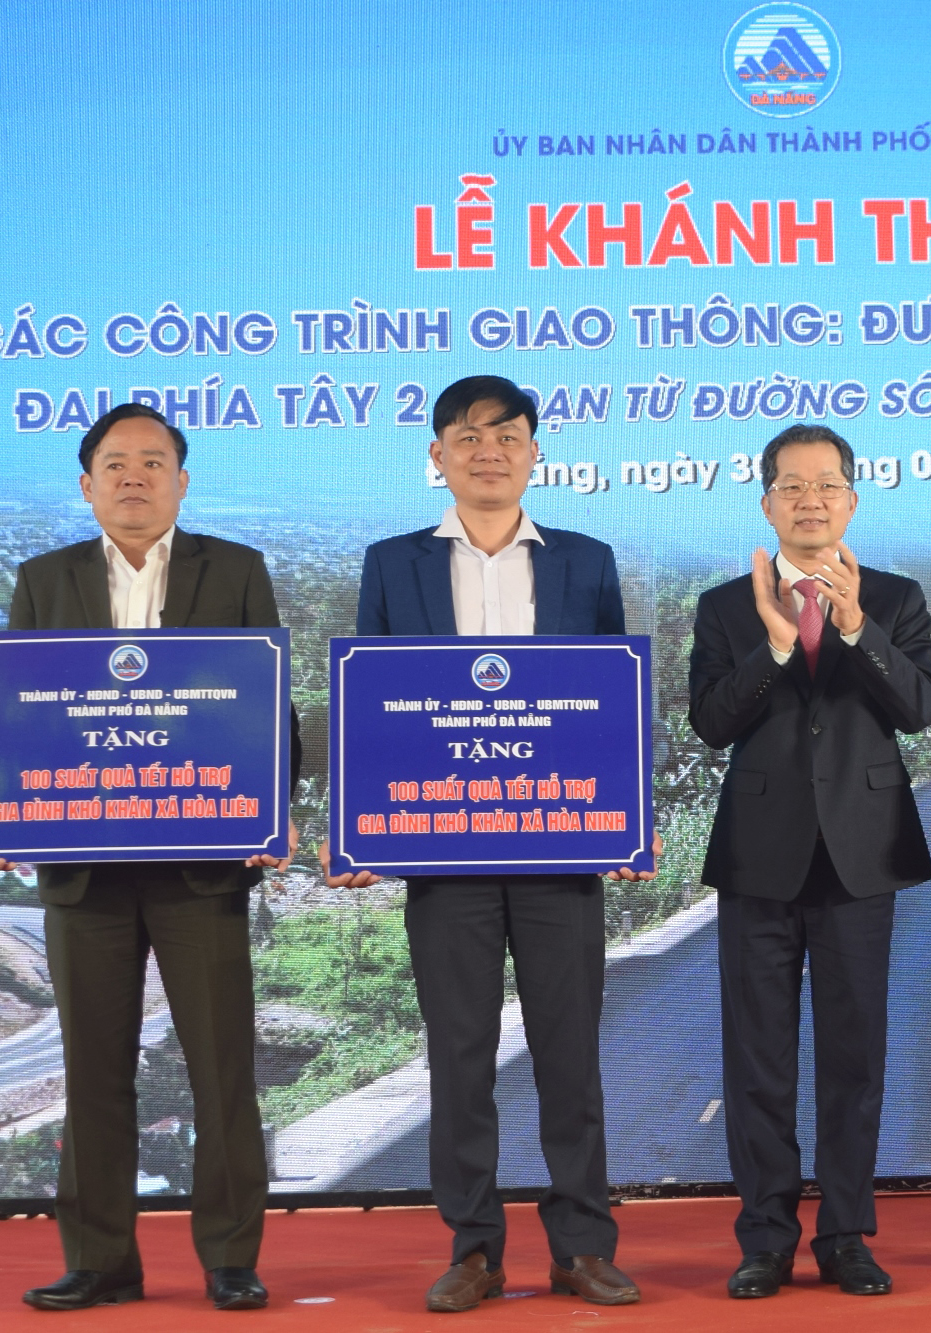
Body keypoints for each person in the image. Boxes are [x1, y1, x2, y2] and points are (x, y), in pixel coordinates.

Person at [322, 375, 644, 1312]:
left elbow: (609, 704)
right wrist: (354, 828)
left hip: (560, 853)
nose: (488, 448)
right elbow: (372, 708)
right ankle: (474, 1247)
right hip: (444, 857)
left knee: (569, 1055)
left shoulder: (586, 561)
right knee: (459, 1057)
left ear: (535, 451)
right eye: (467, 434)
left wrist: (625, 819)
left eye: (507, 433)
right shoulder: (395, 564)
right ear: (438, 455)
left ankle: (582, 1244)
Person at [0, 402, 299, 1313]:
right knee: (94, 1068)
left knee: (221, 1067)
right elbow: (21, 712)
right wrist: (3, 816)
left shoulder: (235, 571)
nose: (133, 476)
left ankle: (231, 1256)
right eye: (114, 462)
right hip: (84, 871)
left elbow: (265, 710)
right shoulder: (44, 579)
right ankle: (101, 1258)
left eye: (153, 461)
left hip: (202, 864)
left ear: (181, 481)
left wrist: (268, 814)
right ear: (86, 484)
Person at [688, 424, 931, 1299]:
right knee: (757, 1056)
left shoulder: (898, 598)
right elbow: (713, 722)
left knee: (854, 1054)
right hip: (760, 855)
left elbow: (918, 709)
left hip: (861, 853)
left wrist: (857, 626)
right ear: (766, 504)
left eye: (826, 485)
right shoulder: (726, 604)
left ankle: (846, 1233)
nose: (810, 499)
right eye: (791, 486)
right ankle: (764, 1235)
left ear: (852, 501)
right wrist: (779, 645)